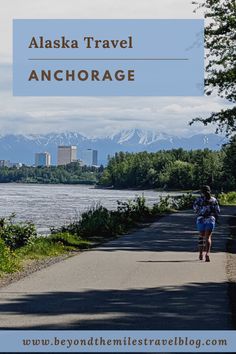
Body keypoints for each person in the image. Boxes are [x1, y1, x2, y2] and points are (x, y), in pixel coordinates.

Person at [193, 185, 220, 262]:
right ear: (210, 191)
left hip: (201, 219)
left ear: (202, 192)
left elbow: (195, 209)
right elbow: (217, 210)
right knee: (208, 237)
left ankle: (200, 254)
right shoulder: (214, 200)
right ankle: (207, 254)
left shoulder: (198, 200)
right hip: (210, 220)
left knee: (201, 236)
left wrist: (201, 211)